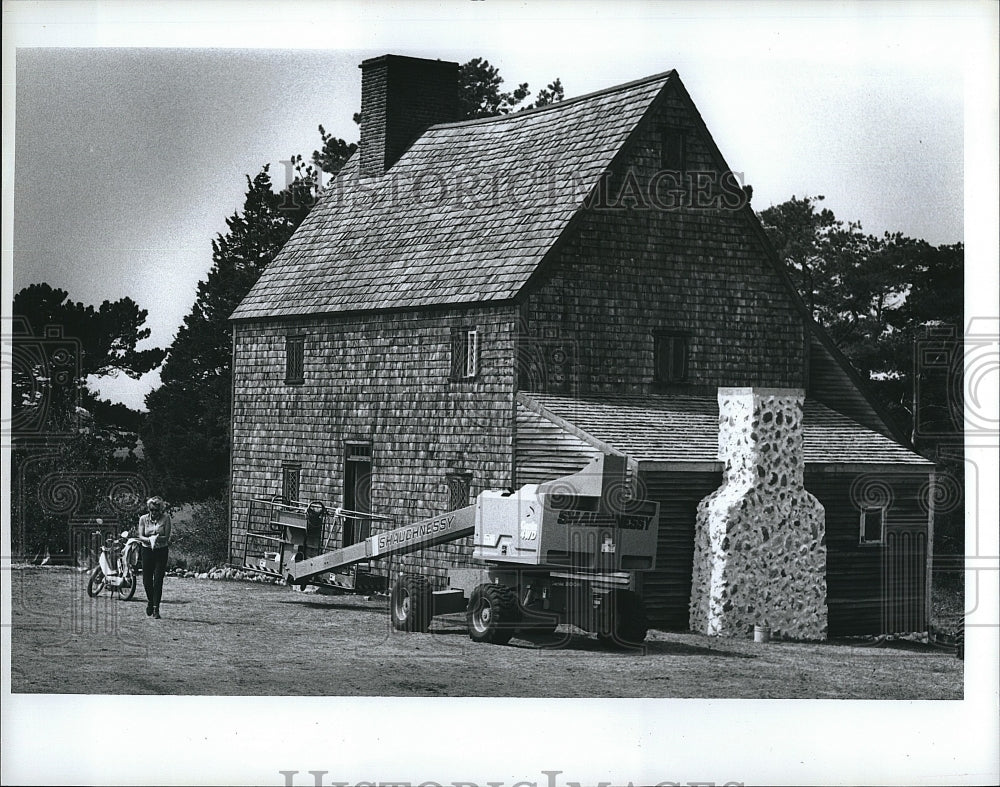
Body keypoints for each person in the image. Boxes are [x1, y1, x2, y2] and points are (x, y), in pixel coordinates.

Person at [138, 496, 172, 619]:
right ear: (149, 509)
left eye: (157, 510)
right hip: (147, 550)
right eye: (152, 510)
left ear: (161, 510)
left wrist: (156, 538)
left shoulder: (166, 518)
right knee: (147, 580)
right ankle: (150, 601)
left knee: (158, 580)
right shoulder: (143, 519)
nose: (154, 513)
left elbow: (166, 536)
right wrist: (149, 539)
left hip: (161, 550)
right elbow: (141, 535)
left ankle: (156, 608)